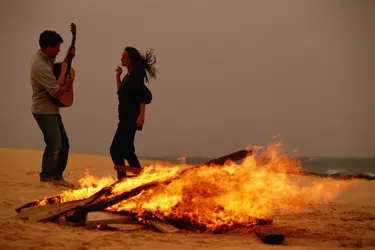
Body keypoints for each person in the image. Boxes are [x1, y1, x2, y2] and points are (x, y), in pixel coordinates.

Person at [30, 30, 76, 188]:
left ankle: (57, 176)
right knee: (54, 144)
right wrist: (68, 86)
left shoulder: (47, 59)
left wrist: (68, 58)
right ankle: (47, 178)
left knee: (64, 143)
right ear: (47, 47)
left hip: (52, 110)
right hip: (44, 110)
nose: (58, 50)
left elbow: (60, 71)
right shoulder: (40, 65)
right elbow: (56, 92)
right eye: (56, 47)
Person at [110, 46, 156, 179]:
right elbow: (121, 92)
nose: (121, 59)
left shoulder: (136, 76)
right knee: (128, 151)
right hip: (125, 117)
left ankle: (122, 178)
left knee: (115, 150)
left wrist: (141, 116)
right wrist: (118, 76)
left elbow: (143, 96)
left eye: (124, 57)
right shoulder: (128, 75)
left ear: (131, 60)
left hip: (130, 118)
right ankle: (139, 176)